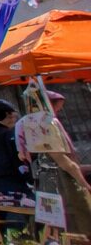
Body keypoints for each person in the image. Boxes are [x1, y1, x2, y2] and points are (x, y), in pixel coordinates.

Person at [17, 88, 91, 234]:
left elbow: (22, 154)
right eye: (57, 105)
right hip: (62, 179)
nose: (58, 109)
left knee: (58, 224)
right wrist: (85, 184)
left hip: (43, 177)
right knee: (80, 218)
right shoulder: (45, 123)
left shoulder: (25, 122)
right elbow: (62, 159)